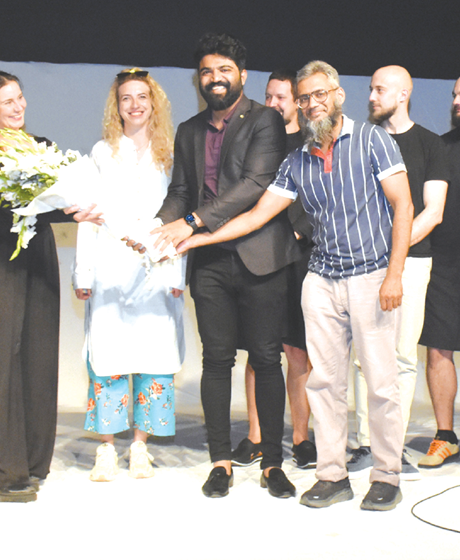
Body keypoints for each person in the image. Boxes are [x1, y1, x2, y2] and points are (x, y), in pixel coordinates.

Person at [177, 61, 413, 511]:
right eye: (304, 98)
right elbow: (256, 215)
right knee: (323, 384)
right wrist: (196, 238)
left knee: (381, 384)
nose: (311, 104)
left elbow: (403, 205)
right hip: (321, 280)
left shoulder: (372, 140)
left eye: (320, 94)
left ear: (338, 95)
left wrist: (395, 274)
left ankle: (386, 475)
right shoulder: (297, 160)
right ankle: (332, 475)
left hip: (371, 275)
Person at [140, 33, 301, 500]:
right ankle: (220, 462)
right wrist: (155, 228)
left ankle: (272, 463)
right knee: (216, 361)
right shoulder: (189, 130)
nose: (215, 78)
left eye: (224, 70)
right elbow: (180, 192)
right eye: (207, 71)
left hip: (261, 257)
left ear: (242, 76)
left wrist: (190, 223)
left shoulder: (266, 120)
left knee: (266, 359)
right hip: (209, 262)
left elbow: (253, 184)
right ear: (199, 78)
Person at [0, 71, 101, 503]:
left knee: (39, 354)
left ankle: (33, 461)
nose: (18, 106)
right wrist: (58, 208)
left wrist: (76, 211)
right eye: (7, 101)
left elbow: (52, 203)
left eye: (20, 97)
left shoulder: (41, 146)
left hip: (37, 250)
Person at [73, 69, 186, 481]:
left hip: (159, 267)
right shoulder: (102, 153)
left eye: (142, 96)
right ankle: (106, 447)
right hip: (110, 269)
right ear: (116, 106)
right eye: (126, 98)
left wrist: (178, 273)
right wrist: (84, 272)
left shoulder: (170, 153)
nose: (135, 104)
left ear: (154, 103)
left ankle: (140, 445)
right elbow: (89, 214)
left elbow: (182, 217)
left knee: (153, 355)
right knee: (109, 356)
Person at [347, 66, 449, 477]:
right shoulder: (359, 141)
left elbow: (433, 211)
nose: (371, 96)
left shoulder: (430, 144)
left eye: (380, 90)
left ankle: (392, 446)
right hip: (365, 263)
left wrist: (394, 251)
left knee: (403, 357)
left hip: (412, 262)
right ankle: (365, 444)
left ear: (403, 94)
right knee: (364, 358)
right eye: (370, 89)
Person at [233, 69, 317, 470]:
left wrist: (299, 231)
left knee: (298, 351)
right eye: (267, 96)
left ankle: (301, 437)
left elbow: (322, 200)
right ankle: (256, 436)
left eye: (281, 97)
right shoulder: (254, 139)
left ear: (298, 102)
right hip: (260, 257)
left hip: (299, 259)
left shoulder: (312, 144)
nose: (272, 104)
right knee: (259, 350)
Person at [416, 71, 460, 468]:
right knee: (438, 347)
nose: (456, 102)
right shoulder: (441, 148)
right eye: (455, 95)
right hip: (447, 263)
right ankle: (445, 436)